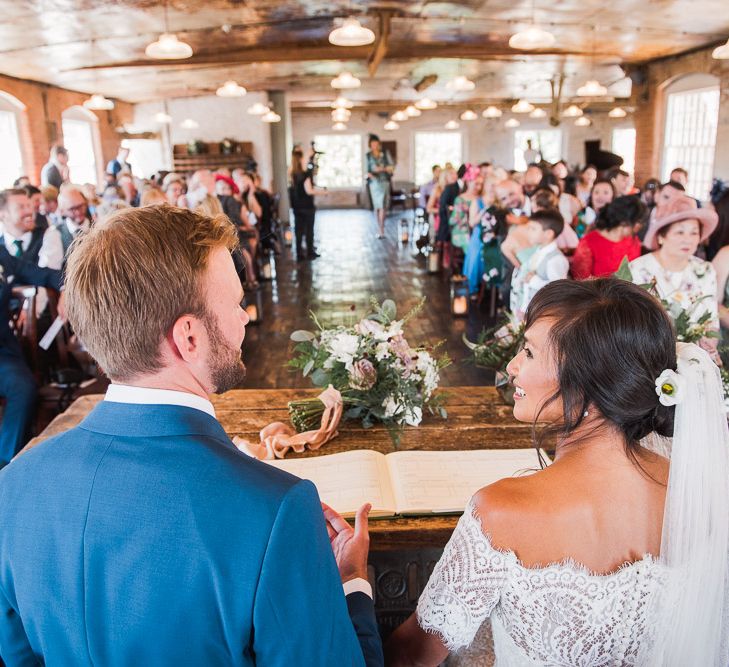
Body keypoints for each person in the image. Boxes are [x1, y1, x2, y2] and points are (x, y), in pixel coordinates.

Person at [0, 204, 383, 666]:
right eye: (236, 304)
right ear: (189, 337)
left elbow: (18, 657)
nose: (244, 318)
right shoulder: (276, 511)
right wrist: (352, 584)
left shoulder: (13, 486)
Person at [387, 277, 729, 666]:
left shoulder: (500, 512)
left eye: (530, 353)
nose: (512, 366)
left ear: (587, 384)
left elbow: (412, 655)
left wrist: (354, 585)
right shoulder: (697, 491)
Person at [0, 189, 64, 468]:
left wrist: (65, 288)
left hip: (3, 355)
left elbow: (43, 273)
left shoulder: (3, 256)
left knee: (23, 388)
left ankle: (6, 464)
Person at [631, 195, 719, 360]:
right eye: (680, 232)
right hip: (650, 356)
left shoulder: (705, 270)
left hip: (695, 356)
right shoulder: (638, 269)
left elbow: (711, 319)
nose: (688, 240)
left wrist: (709, 342)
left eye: (694, 233)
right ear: (661, 236)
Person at [513, 209, 569, 321]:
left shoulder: (556, 259)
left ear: (548, 234)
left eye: (533, 229)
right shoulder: (538, 251)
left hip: (540, 316)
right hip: (526, 311)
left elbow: (558, 291)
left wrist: (534, 280)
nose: (528, 232)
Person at [571, 196, 644, 279]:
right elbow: (581, 279)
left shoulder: (634, 241)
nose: (639, 227)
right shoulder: (589, 243)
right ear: (624, 222)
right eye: (638, 222)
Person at [289, 147, 326, 260]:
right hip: (306, 206)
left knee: (299, 231)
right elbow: (309, 190)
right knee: (309, 230)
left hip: (296, 207)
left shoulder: (291, 173)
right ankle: (310, 252)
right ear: (300, 159)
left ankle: (299, 253)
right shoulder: (304, 175)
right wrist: (323, 192)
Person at [365, 134, 394, 238]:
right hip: (374, 184)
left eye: (376, 144)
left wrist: (383, 169)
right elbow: (366, 171)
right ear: (370, 145)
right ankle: (379, 227)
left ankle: (382, 228)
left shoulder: (385, 154)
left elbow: (391, 166)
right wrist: (372, 174)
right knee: (377, 206)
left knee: (383, 206)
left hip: (384, 181)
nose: (375, 146)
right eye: (373, 144)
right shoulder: (368, 156)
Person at [56, 185, 92, 259]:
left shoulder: (99, 226)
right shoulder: (56, 233)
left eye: (81, 206)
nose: (78, 212)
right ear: (62, 211)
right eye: (72, 209)